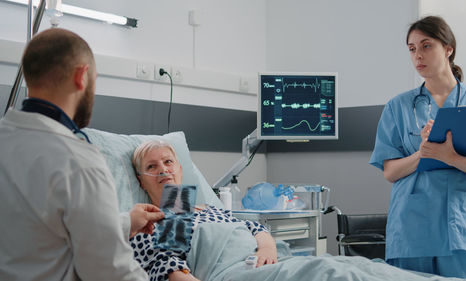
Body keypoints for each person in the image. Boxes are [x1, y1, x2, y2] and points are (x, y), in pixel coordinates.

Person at [0, 28, 164, 280]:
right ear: (82, 76)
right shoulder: (77, 160)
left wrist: (124, 222)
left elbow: (36, 231)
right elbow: (110, 271)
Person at [369, 16, 466, 278]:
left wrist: (449, 156)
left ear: (448, 48)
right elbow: (390, 172)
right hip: (412, 230)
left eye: (426, 46)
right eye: (412, 49)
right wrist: (422, 153)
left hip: (464, 228)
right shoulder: (398, 106)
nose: (418, 55)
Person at [130, 140, 278, 281]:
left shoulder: (209, 209)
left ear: (180, 170)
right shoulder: (146, 224)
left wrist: (267, 249)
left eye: (168, 161)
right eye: (151, 166)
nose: (163, 169)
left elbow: (254, 227)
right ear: (141, 181)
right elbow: (167, 266)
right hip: (239, 273)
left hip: (268, 264)